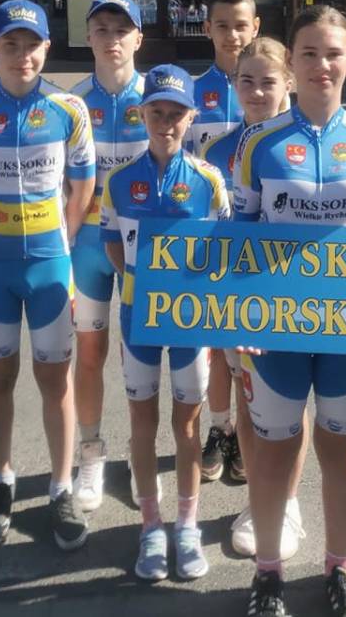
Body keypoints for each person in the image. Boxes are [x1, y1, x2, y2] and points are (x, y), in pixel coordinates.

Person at [233, 5, 346, 617]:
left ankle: (340, 569)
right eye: (309, 53)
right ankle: (268, 574)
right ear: (293, 63)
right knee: (273, 454)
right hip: (275, 328)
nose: (321, 65)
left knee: (342, 455)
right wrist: (236, 319)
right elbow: (238, 237)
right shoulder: (258, 142)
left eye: (333, 53)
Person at [0, 0, 95, 550]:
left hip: (52, 264)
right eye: (10, 44)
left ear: (47, 48)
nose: (22, 55)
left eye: (32, 45)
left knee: (56, 381)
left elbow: (83, 185)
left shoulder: (68, 109)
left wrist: (63, 235)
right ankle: (2, 481)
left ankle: (61, 487)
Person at [101, 64, 230, 582]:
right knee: (142, 421)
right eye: (156, 111)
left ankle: (187, 524)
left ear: (192, 117)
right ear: (141, 113)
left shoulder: (209, 180)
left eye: (177, 113)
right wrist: (140, 285)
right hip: (138, 319)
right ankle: (151, 525)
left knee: (188, 424)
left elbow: (225, 250)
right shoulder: (119, 180)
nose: (166, 122)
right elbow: (113, 245)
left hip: (190, 323)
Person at [201, 38, 308, 561]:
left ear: (290, 82)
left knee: (293, 401)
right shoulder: (215, 152)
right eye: (247, 81)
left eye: (269, 81)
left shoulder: (308, 141)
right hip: (239, 295)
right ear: (233, 83)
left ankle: (288, 503)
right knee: (248, 398)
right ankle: (257, 501)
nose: (258, 91)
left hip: (299, 295)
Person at [70, 0, 148, 512]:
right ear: (88, 37)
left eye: (122, 30)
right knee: (90, 353)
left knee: (143, 355)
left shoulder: (160, 97)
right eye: (101, 29)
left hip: (144, 249)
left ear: (138, 38)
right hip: (88, 248)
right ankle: (91, 453)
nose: (111, 39)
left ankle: (142, 456)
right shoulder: (72, 102)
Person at [191, 0, 260, 487]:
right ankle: (220, 430)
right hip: (211, 238)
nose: (232, 35)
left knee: (252, 349)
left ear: (256, 27)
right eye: (222, 25)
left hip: (261, 244)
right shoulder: (192, 93)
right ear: (207, 29)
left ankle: (251, 433)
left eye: (241, 25)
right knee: (215, 345)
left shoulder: (271, 85)